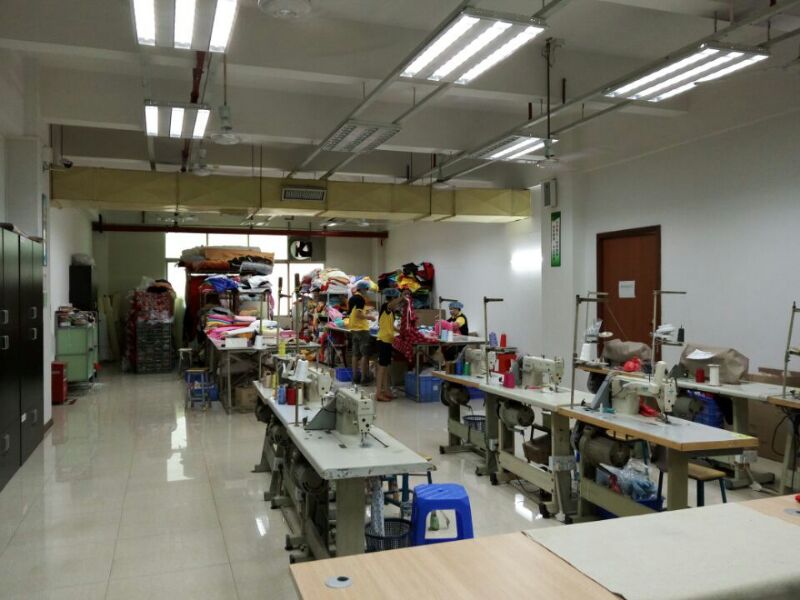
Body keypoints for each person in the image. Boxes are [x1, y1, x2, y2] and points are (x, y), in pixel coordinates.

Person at [376, 288, 403, 401]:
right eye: (396, 301)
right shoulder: (385, 307)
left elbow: (391, 326)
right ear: (392, 298)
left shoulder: (390, 312)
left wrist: (401, 331)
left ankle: (386, 390)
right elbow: (392, 304)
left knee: (386, 368)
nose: (397, 305)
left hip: (387, 340)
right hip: (383, 340)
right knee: (382, 368)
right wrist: (402, 297)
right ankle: (378, 393)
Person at [347, 280, 375, 384]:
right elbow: (358, 314)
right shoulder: (360, 299)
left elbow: (352, 313)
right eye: (367, 289)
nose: (367, 291)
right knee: (365, 354)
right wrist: (370, 317)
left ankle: (355, 377)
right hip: (362, 329)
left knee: (355, 354)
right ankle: (364, 378)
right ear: (362, 289)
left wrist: (365, 312)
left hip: (353, 329)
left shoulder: (352, 298)